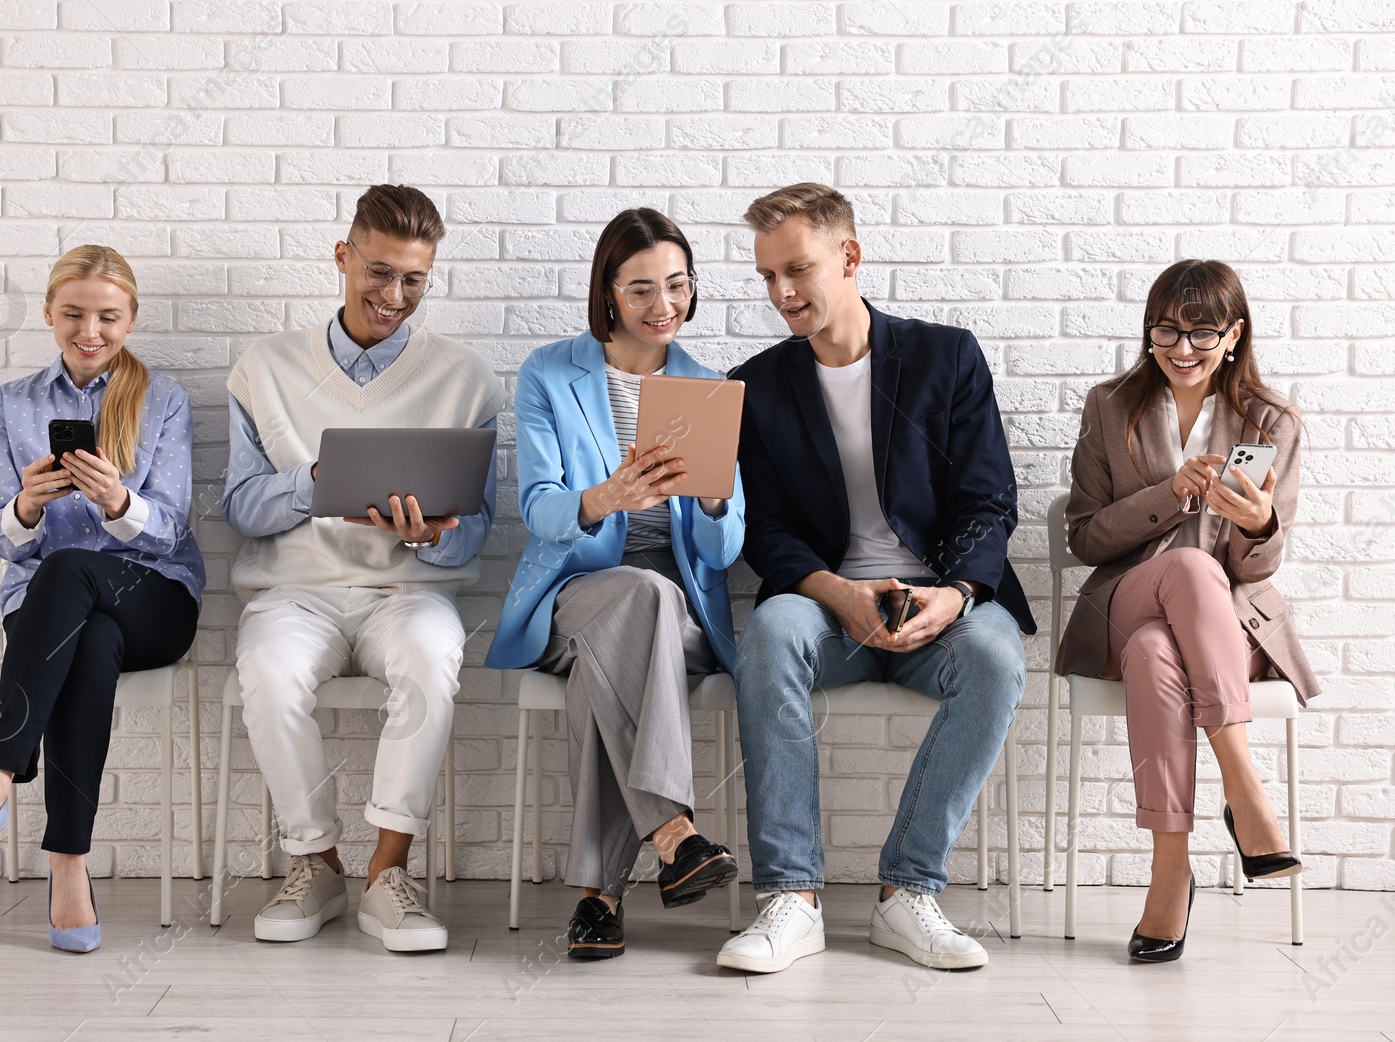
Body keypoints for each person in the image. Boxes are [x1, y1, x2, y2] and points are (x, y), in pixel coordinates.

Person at [718, 183, 1035, 975]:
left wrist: (955, 593)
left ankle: (907, 893)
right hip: (826, 604)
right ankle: (792, 896)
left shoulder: (945, 356)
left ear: (849, 256)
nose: (781, 293)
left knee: (996, 657)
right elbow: (769, 532)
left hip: (940, 598)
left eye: (797, 269)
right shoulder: (753, 384)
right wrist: (835, 592)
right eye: (766, 277)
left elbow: (989, 498)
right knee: (768, 636)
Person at [220, 184, 504, 952]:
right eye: (378, 272)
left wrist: (428, 534)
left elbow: (474, 533)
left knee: (432, 651)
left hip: (406, 591)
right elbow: (241, 507)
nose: (394, 295)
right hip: (296, 591)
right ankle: (314, 862)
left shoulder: (465, 378)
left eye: (414, 279)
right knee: (270, 669)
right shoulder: (266, 367)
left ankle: (388, 873)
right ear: (343, 258)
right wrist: (317, 482)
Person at [0, 245, 205, 954]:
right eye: (73, 314)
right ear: (48, 314)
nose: (89, 330)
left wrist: (118, 500)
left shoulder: (162, 399)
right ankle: (69, 867)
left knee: (74, 569)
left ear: (131, 319)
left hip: (153, 598)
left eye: (107, 316)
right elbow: (3, 540)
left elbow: (170, 533)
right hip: (55, 613)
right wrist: (28, 507)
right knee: (88, 637)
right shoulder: (11, 404)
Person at [486, 208, 745, 959]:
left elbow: (725, 549)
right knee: (636, 596)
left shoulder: (708, 386)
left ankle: (600, 897)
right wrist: (608, 497)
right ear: (607, 293)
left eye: (676, 285)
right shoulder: (551, 372)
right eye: (641, 290)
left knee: (636, 624)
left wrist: (714, 496)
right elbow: (539, 508)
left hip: (680, 607)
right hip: (580, 591)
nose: (663, 306)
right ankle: (673, 831)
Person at [1058, 259, 1317, 963]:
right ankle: (1244, 786)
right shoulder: (1110, 406)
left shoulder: (1273, 421)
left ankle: (1169, 871)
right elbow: (1084, 536)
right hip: (1127, 595)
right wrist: (1171, 493)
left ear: (1234, 335)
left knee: (1155, 650)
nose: (1182, 348)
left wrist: (1261, 526)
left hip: (1227, 630)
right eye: (1166, 329)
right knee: (1181, 576)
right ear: (1148, 331)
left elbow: (1254, 570)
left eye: (1202, 333)